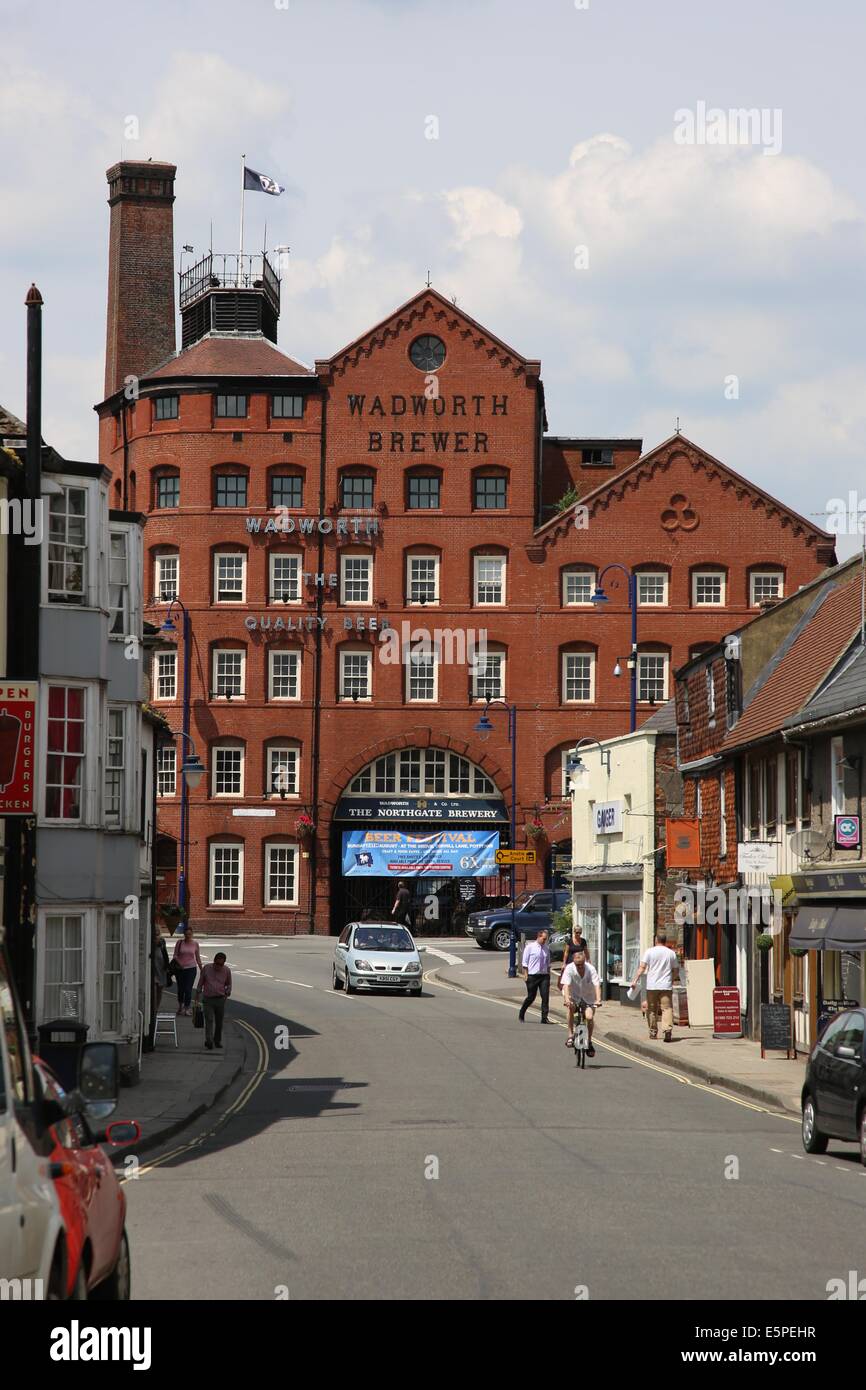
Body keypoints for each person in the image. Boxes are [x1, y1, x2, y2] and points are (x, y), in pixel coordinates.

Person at [630, 931, 680, 1041]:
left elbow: (642, 968)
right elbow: (676, 970)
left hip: (652, 986)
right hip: (666, 985)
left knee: (651, 1009)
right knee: (667, 1009)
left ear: (656, 940)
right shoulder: (671, 953)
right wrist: (671, 979)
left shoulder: (649, 952)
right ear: (665, 941)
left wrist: (634, 980)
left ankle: (653, 1032)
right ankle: (667, 1031)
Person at [560, 947, 602, 1055]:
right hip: (573, 996)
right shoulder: (569, 968)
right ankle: (570, 1035)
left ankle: (589, 1041)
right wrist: (567, 999)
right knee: (571, 1008)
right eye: (577, 965)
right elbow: (566, 985)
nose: (579, 967)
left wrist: (598, 999)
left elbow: (597, 985)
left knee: (589, 1017)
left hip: (589, 997)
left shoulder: (591, 969)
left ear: (584, 962)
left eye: (581, 964)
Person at [196, 952, 232, 1050]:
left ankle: (217, 1040)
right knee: (209, 1020)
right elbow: (201, 981)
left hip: (220, 999)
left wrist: (227, 993)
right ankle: (209, 1041)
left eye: (221, 964)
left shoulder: (226, 971)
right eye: (217, 964)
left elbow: (229, 984)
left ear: (224, 963)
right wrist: (197, 994)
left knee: (219, 1022)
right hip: (208, 999)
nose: (219, 966)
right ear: (214, 961)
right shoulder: (207, 968)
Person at [518, 928, 552, 1024]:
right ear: (538, 937)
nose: (544, 941)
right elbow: (525, 962)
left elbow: (548, 963)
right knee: (531, 997)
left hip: (544, 976)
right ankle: (522, 1012)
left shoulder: (546, 948)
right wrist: (525, 974)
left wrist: (548, 975)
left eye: (546, 939)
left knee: (545, 997)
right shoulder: (530, 947)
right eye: (543, 939)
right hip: (532, 975)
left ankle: (544, 1018)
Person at [172, 925, 203, 1016]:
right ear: (184, 934)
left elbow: (197, 958)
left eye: (189, 934)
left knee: (188, 989)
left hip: (191, 969)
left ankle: (187, 1008)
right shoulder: (179, 942)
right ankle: (180, 1007)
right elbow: (175, 955)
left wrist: (202, 970)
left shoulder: (195, 944)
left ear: (192, 934)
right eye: (186, 934)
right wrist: (179, 963)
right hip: (180, 969)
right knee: (181, 989)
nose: (188, 936)